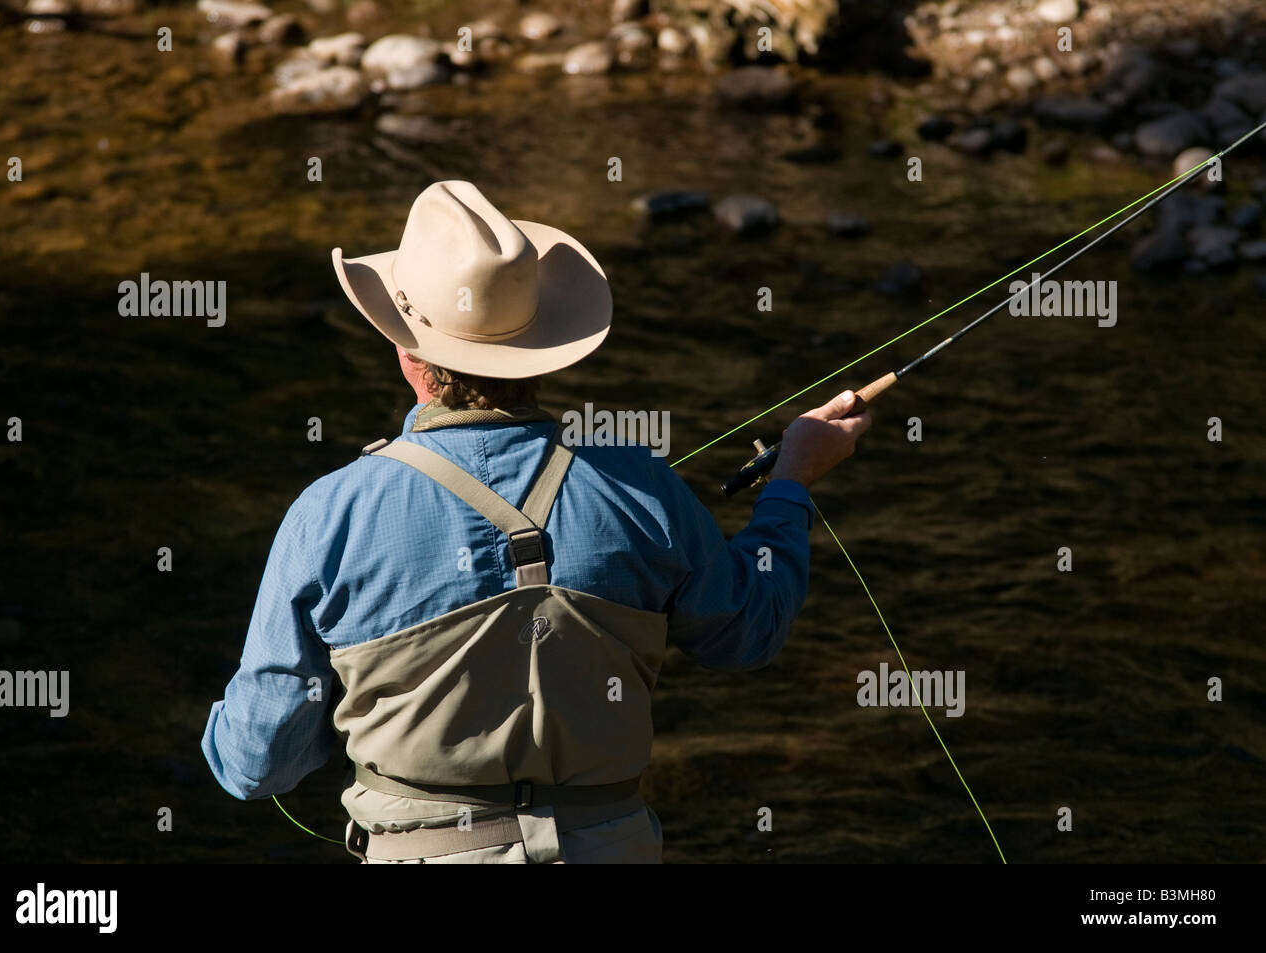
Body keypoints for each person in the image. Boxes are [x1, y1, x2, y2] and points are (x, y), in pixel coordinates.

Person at [201, 180, 870, 863]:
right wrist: (789, 484)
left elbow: (258, 763)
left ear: (407, 351)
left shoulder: (329, 514)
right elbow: (750, 633)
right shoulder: (645, 489)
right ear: (542, 348)